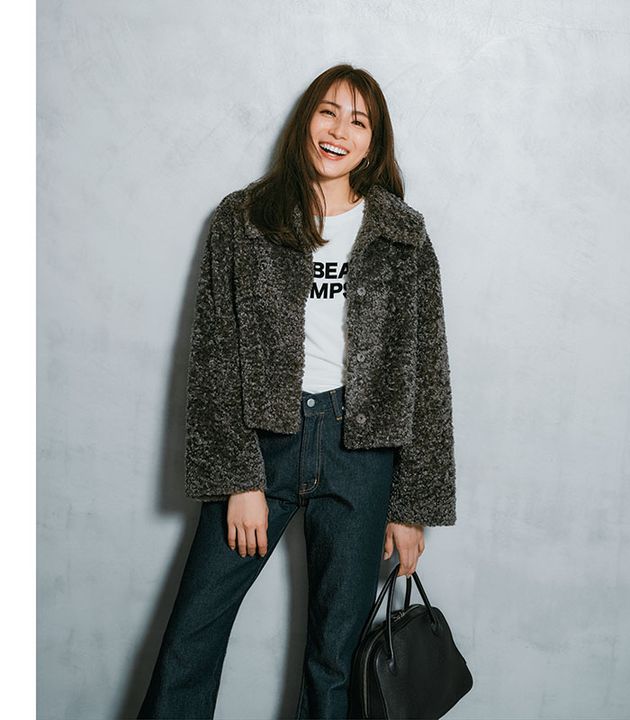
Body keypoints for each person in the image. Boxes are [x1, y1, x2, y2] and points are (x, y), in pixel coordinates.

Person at [137, 63, 457, 720]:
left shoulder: (402, 235)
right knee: (192, 636)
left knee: (334, 660)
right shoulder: (246, 218)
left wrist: (410, 507)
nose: (339, 131)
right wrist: (239, 478)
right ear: (306, 119)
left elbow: (428, 374)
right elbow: (216, 351)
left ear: (373, 142)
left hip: (360, 452)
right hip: (265, 439)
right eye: (328, 112)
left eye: (358, 121)